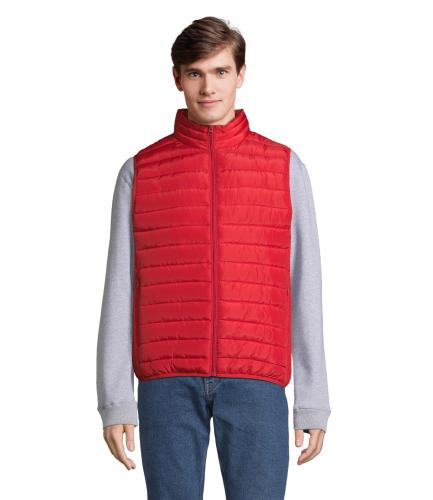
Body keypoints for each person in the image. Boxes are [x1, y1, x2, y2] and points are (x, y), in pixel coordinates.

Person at [96, 16, 331, 500]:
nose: (208, 88)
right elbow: (119, 287)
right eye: (195, 73)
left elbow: (305, 282)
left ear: (241, 74)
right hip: (166, 383)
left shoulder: (284, 167)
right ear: (177, 78)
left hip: (256, 379)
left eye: (221, 72)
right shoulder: (140, 171)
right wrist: (116, 399)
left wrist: (312, 399)